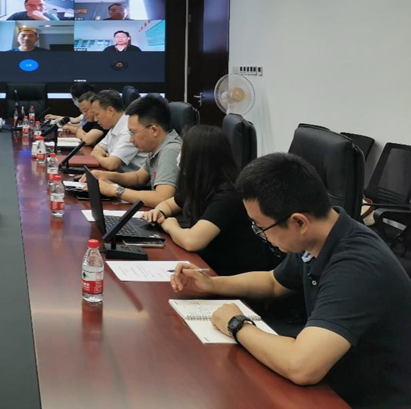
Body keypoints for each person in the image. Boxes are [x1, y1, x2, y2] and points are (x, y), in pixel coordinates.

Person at [171, 153, 411, 407]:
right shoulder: (319, 236)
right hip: (335, 378)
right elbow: (273, 282)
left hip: (368, 399)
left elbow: (302, 366)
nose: (261, 235)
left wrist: (236, 324)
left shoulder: (357, 267)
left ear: (299, 222)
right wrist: (211, 284)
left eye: (260, 227)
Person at [142, 126, 279, 275]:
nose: (179, 157)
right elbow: (169, 204)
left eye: (183, 152)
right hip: (207, 264)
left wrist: (170, 225)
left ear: (196, 159)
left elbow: (192, 242)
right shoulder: (200, 183)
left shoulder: (227, 195)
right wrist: (159, 212)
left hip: (232, 275)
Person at [94, 94, 181, 207]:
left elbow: (161, 198)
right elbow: (138, 178)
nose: (131, 139)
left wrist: (115, 190)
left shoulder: (171, 150)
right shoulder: (156, 146)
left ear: (154, 130)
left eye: (133, 132)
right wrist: (106, 175)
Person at [85, 90, 147, 173]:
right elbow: (98, 147)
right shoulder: (115, 125)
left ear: (110, 111)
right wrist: (104, 158)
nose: (95, 119)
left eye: (97, 114)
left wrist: (98, 156)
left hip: (133, 179)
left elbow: (112, 164)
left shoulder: (129, 129)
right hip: (119, 175)